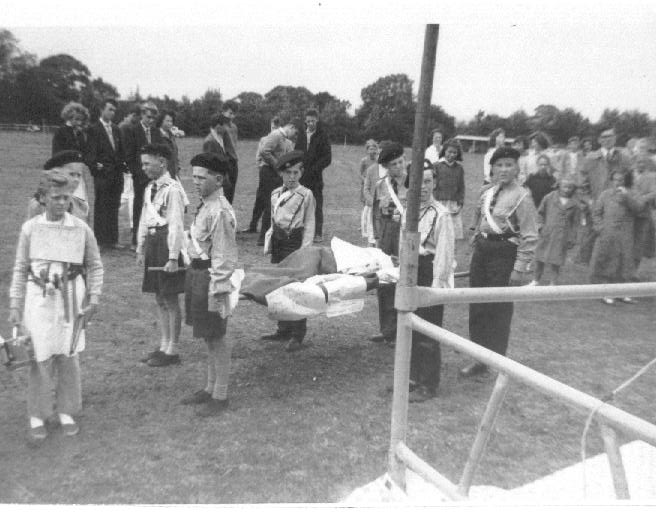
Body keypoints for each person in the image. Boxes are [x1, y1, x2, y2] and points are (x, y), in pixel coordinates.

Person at [9, 171, 103, 442]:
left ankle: (66, 410)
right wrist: (15, 304)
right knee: (40, 354)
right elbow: (20, 268)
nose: (62, 203)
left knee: (67, 353)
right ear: (42, 198)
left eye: (66, 198)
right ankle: (38, 414)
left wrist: (94, 298)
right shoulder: (31, 228)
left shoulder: (80, 228)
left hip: (71, 296)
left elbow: (95, 265)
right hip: (38, 298)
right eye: (55, 198)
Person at [461, 146, 538, 377]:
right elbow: (479, 220)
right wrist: (475, 241)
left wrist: (519, 268)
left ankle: (496, 360)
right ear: (492, 169)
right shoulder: (487, 192)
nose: (504, 170)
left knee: (498, 308)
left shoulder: (523, 196)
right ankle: (478, 358)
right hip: (483, 252)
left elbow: (530, 236)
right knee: (477, 305)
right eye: (499, 165)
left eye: (509, 165)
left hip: (504, 254)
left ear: (516, 169)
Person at [181, 153, 239, 417]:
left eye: (201, 177)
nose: (195, 182)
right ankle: (209, 387)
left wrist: (219, 289)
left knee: (217, 335)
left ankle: (221, 394)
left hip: (212, 279)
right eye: (193, 176)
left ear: (218, 179)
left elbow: (224, 256)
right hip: (198, 274)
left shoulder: (220, 211)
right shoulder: (206, 205)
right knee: (207, 335)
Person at [135, 143, 186, 367]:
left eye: (147, 163)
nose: (144, 167)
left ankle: (173, 349)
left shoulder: (173, 189)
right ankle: (164, 344)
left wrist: (173, 256)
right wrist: (140, 246)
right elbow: (144, 218)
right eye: (142, 164)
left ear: (162, 162)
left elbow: (175, 224)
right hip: (153, 243)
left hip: (167, 244)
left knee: (170, 297)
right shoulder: (150, 188)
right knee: (159, 296)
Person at [260, 151, 316, 352]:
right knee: (280, 285)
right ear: (281, 174)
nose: (292, 177)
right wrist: (269, 240)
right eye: (287, 173)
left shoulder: (306, 194)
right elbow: (273, 219)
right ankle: (283, 328)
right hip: (279, 241)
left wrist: (305, 249)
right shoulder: (275, 193)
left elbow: (310, 222)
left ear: (301, 173)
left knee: (296, 287)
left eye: (295, 173)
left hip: (295, 242)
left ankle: (297, 334)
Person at [575, 127, 632, 265]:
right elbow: (582, 183)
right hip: (595, 200)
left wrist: (624, 195)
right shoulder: (591, 158)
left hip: (616, 201)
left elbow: (629, 180)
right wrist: (588, 201)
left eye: (610, 136)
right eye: (604, 137)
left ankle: (610, 261)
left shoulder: (624, 158)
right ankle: (584, 260)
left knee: (614, 232)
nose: (607, 139)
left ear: (615, 138)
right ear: (599, 140)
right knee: (591, 231)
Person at [370, 142, 408, 345]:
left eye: (401, 161)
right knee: (385, 281)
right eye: (394, 164)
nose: (399, 166)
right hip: (386, 235)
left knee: (403, 281)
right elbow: (376, 213)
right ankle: (387, 330)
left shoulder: (414, 182)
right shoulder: (381, 185)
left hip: (406, 235)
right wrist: (376, 238)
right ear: (386, 167)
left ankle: (402, 331)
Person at [590, 169, 643, 305]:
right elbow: (596, 213)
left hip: (625, 234)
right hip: (608, 233)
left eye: (621, 180)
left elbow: (638, 210)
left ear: (626, 181)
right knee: (608, 261)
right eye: (615, 179)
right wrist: (600, 228)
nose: (618, 182)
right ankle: (606, 292)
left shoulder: (632, 194)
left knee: (624, 262)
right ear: (611, 180)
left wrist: (627, 197)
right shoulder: (605, 194)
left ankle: (622, 292)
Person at [248, 118, 298, 245]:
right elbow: (264, 150)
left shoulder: (285, 140)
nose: (295, 136)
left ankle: (270, 235)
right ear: (291, 127)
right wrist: (277, 165)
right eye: (295, 132)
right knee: (269, 204)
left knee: (276, 204)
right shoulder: (276, 135)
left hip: (276, 174)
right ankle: (263, 238)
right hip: (269, 173)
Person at [85, 99, 126, 248]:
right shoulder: (93, 129)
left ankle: (113, 240)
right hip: (102, 175)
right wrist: (96, 167)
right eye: (110, 109)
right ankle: (100, 241)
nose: (112, 113)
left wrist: (122, 166)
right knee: (102, 206)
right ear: (102, 110)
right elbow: (90, 153)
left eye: (114, 110)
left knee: (114, 206)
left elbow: (120, 151)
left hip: (116, 174)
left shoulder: (116, 129)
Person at [528, 177, 579, 286]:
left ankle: (553, 283)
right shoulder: (549, 197)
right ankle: (535, 280)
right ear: (559, 186)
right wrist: (540, 226)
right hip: (547, 233)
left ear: (573, 189)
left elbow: (575, 223)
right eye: (565, 187)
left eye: (570, 187)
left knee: (556, 260)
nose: (567, 190)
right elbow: (540, 213)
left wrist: (572, 237)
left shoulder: (575, 203)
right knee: (539, 258)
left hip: (561, 236)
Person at [124, 102, 162, 248]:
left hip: (155, 176)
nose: (151, 120)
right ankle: (136, 240)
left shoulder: (156, 132)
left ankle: (152, 239)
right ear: (142, 115)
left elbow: (160, 153)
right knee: (139, 207)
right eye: (148, 117)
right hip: (140, 177)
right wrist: (139, 174)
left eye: (153, 118)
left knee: (155, 207)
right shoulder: (132, 131)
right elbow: (130, 156)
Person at [297, 108, 332, 243]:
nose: (310, 123)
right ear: (305, 121)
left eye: (313, 121)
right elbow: (297, 152)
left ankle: (318, 233)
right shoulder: (301, 135)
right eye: (308, 121)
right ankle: (300, 230)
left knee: (317, 205)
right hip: (301, 176)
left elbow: (327, 158)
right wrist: (299, 167)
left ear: (317, 120)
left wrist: (314, 169)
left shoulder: (323, 136)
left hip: (315, 177)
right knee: (300, 203)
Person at [44, 151, 90, 222]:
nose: (76, 180)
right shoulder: (43, 204)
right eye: (71, 174)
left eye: (78, 175)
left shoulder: (82, 206)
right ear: (56, 173)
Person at [434, 138, 465, 240]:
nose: (451, 155)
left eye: (454, 152)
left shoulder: (459, 168)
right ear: (444, 151)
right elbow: (433, 185)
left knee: (451, 233)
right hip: (439, 201)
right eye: (449, 152)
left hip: (453, 203)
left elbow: (461, 186)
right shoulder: (437, 166)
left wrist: (460, 202)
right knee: (438, 229)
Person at [631, 155, 656, 277]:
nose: (640, 164)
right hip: (628, 214)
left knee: (639, 242)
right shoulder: (629, 174)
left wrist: (641, 199)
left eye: (643, 162)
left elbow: (653, 193)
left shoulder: (651, 177)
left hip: (643, 214)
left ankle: (634, 271)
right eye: (638, 162)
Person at [360, 139, 379, 245]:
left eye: (374, 149)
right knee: (366, 205)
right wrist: (365, 180)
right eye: (370, 149)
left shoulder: (377, 162)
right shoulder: (364, 161)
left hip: (374, 185)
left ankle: (370, 224)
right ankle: (366, 224)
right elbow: (360, 173)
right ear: (367, 150)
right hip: (367, 184)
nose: (372, 151)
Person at [221, 101, 240, 204]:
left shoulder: (234, 127)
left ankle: (228, 211)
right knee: (224, 191)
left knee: (231, 192)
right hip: (224, 162)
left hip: (233, 162)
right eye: (230, 113)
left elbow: (234, 144)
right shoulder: (219, 127)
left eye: (234, 114)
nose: (232, 116)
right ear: (223, 112)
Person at [157, 110, 180, 179]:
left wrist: (178, 167)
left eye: (171, 121)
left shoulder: (171, 135)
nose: (170, 123)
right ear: (161, 121)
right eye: (167, 121)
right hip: (163, 174)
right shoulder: (156, 135)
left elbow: (175, 153)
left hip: (175, 173)